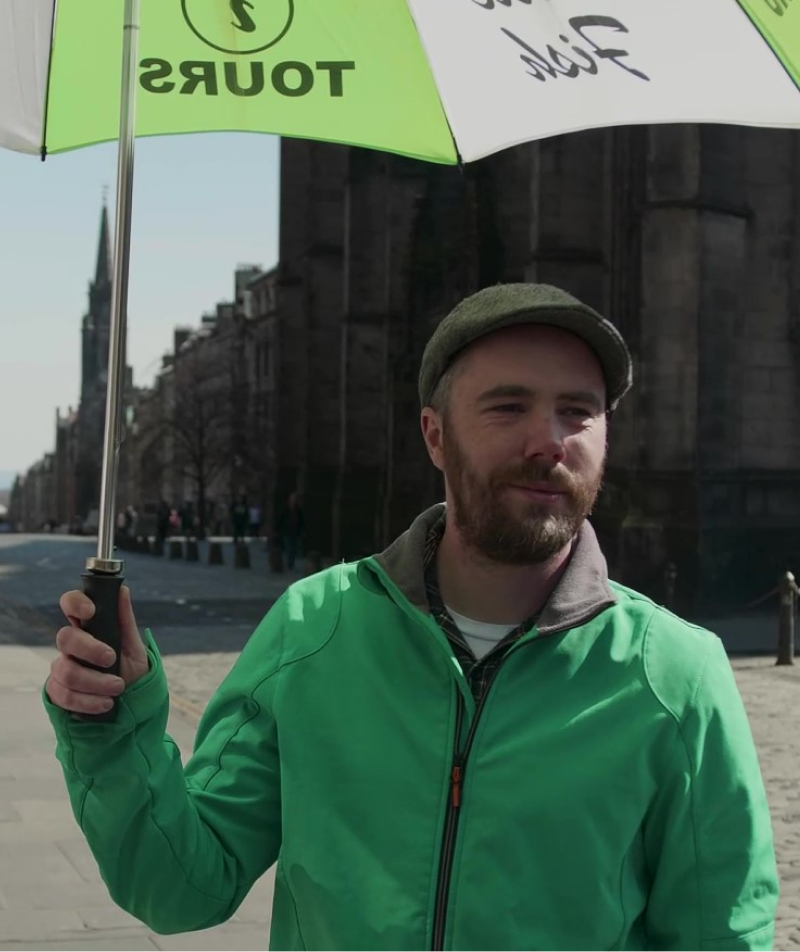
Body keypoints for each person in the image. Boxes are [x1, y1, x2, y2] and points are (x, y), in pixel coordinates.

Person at [43, 283, 778, 950]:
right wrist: (114, 737)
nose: (548, 441)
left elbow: (722, 937)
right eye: (508, 406)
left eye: (577, 410)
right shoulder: (314, 629)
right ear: (434, 435)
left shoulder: (676, 675)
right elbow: (180, 887)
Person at [276, 491, 304, 570]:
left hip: (295, 532)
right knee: (289, 548)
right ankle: (289, 564)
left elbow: (301, 521)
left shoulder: (298, 510)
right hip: (287, 532)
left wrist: (302, 531)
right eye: (292, 498)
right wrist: (277, 529)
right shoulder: (285, 509)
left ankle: (291, 562)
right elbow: (280, 520)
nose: (294, 500)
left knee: (294, 549)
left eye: (295, 498)